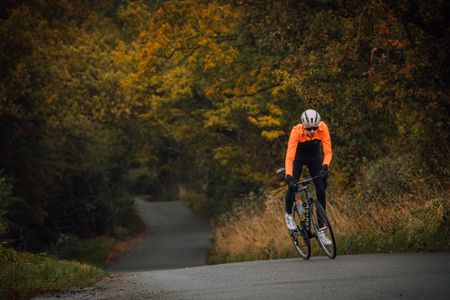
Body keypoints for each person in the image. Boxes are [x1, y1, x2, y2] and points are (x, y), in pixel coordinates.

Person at [284, 109, 332, 245]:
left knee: (321, 189)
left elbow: (328, 153)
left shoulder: (323, 129)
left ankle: (321, 230)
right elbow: (289, 157)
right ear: (303, 126)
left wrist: (325, 167)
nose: (312, 131)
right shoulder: (296, 131)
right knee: (292, 187)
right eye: (309, 128)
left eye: (314, 128)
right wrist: (289, 176)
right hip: (298, 159)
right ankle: (288, 214)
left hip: (314, 158)